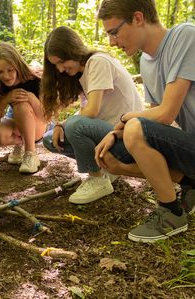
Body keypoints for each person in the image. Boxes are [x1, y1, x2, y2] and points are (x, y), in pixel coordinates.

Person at [95, 0, 195, 242]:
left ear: (138, 18)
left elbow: (166, 113)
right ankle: (190, 183)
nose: (111, 42)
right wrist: (116, 135)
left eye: (114, 32)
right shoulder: (146, 62)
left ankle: (171, 213)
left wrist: (124, 121)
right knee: (118, 150)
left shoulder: (185, 36)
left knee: (134, 128)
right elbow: (156, 124)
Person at [41, 26, 143, 204]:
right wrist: (60, 126)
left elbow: (92, 111)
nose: (60, 69)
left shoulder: (98, 62)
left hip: (127, 135)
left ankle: (97, 179)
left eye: (61, 62)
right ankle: (107, 170)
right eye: (55, 65)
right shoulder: (82, 74)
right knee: (51, 138)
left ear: (72, 50)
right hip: (108, 134)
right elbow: (85, 111)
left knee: (74, 125)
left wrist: (67, 124)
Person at [0, 42, 49, 174]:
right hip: (17, 123)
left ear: (18, 66)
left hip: (40, 125)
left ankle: (30, 154)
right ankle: (20, 145)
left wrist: (31, 98)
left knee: (21, 103)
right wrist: (5, 100)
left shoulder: (36, 79)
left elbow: (46, 117)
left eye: (10, 70)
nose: (6, 76)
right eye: (0, 72)